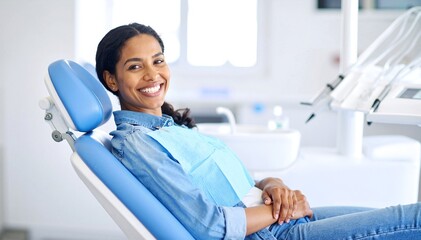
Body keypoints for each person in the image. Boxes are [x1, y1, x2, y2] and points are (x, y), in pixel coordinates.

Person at [95, 23, 421, 239]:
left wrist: (273, 184)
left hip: (280, 220)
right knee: (412, 219)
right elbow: (211, 226)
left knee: (399, 216)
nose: (153, 75)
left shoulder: (167, 127)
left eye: (158, 60)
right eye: (135, 66)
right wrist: (278, 210)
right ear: (112, 79)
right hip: (271, 232)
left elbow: (231, 183)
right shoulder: (138, 144)